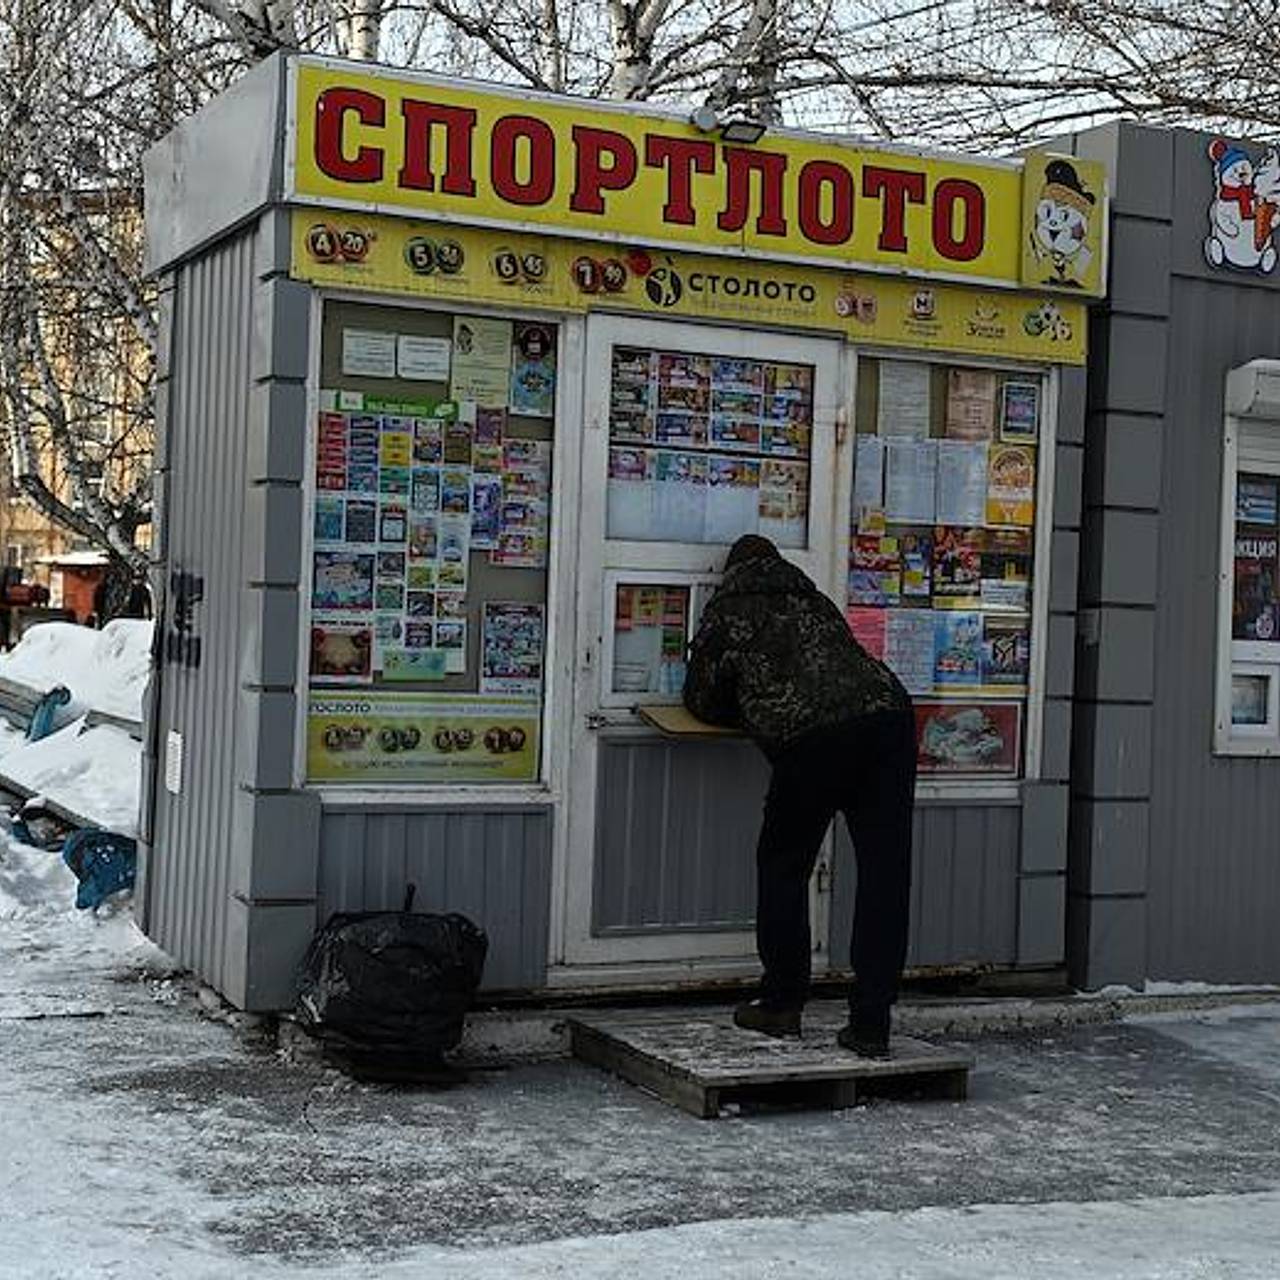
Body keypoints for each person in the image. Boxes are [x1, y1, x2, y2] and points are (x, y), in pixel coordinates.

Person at [682, 533, 916, 1058]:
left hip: (813, 738)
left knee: (784, 866)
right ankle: (872, 1023)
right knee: (885, 876)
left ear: (730, 573)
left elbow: (701, 698)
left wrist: (747, 702)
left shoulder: (731, 610)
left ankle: (782, 1003)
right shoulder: (814, 600)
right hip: (889, 720)